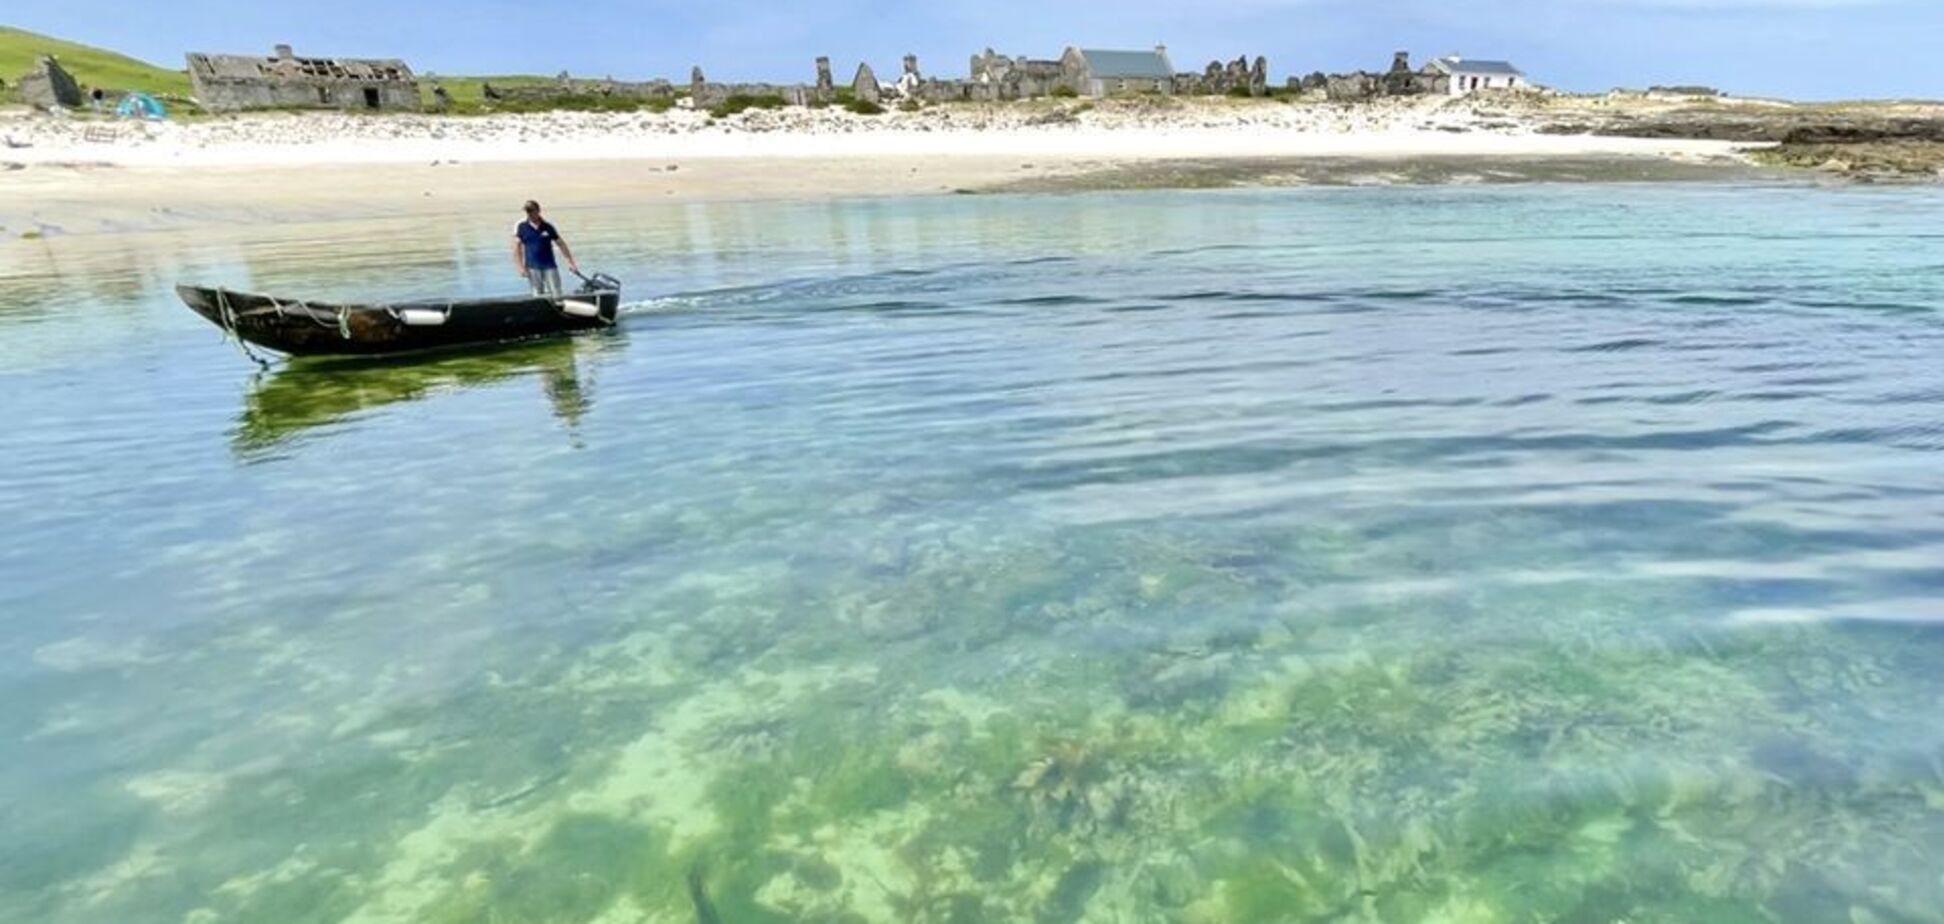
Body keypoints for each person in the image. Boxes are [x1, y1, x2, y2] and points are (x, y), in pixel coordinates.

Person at [512, 200, 579, 297]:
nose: (529, 213)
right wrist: (520, 267)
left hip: (549, 266)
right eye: (527, 211)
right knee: (537, 295)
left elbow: (561, 244)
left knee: (557, 293)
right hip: (532, 268)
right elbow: (516, 249)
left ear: (538, 211)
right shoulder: (521, 227)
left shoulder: (547, 227)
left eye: (531, 210)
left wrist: (571, 263)